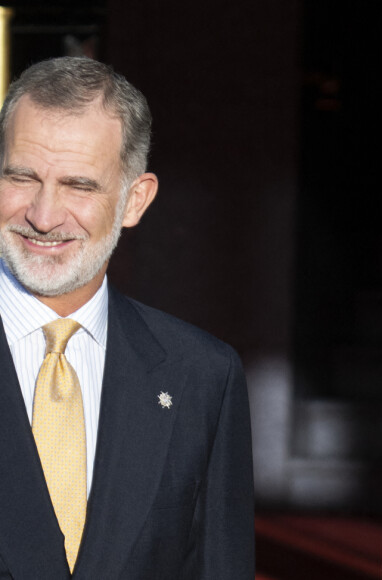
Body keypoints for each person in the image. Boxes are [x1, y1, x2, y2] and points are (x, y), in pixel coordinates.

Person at [0, 56, 254, 579]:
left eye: (79, 186)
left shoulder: (201, 376)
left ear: (134, 200)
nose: (43, 216)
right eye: (22, 177)